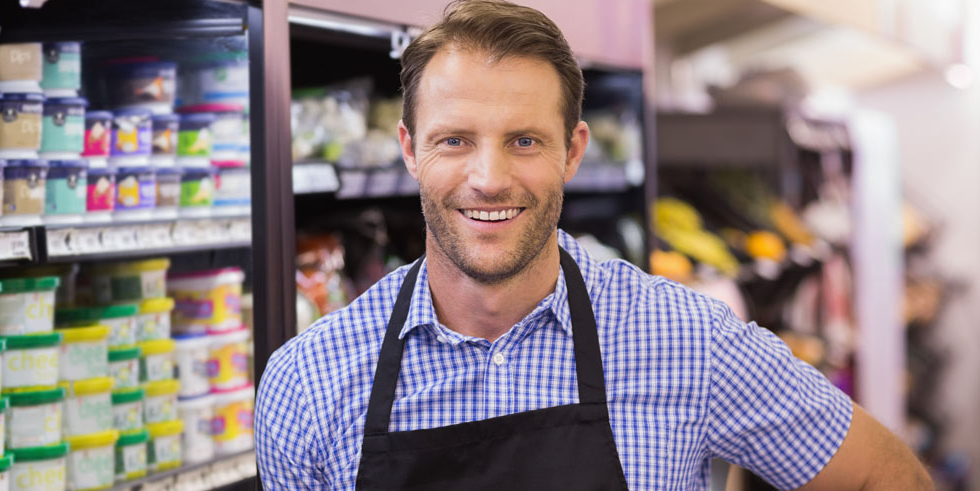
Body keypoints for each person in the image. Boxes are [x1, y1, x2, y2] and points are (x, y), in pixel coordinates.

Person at [256, 1, 933, 489]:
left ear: (573, 151)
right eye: (454, 140)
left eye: (525, 140)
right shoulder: (309, 382)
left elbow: (886, 475)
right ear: (409, 149)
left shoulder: (685, 341)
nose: (489, 179)